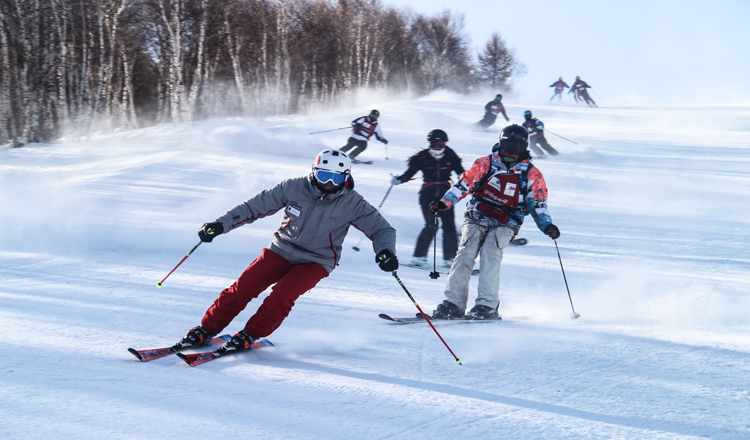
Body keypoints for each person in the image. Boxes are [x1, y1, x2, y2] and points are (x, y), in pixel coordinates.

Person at [175, 149, 398, 355]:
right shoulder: (293, 187)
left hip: (317, 260)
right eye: (323, 176)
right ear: (313, 172)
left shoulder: (353, 203)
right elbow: (253, 207)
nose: (329, 183)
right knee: (242, 288)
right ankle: (207, 329)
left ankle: (250, 334)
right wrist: (221, 224)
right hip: (281, 250)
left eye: (337, 178)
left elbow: (381, 229)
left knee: (282, 296)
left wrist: (385, 251)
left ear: (346, 177)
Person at [429, 125, 560, 320]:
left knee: (491, 254)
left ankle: (486, 305)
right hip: (477, 215)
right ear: (500, 143)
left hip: (507, 220)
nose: (511, 151)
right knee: (465, 255)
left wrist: (547, 225)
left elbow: (538, 203)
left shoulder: (532, 174)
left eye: (516, 146)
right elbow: (464, 185)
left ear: (524, 146)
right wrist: (443, 202)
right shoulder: (485, 164)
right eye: (508, 145)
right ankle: (453, 303)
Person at [391, 129, 465, 269]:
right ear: (430, 143)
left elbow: (461, 172)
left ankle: (451, 259)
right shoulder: (423, 157)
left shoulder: (450, 155)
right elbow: (409, 173)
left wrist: (470, 182)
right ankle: (419, 257)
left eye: (441, 143)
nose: (437, 146)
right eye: (434, 143)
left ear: (445, 143)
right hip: (427, 196)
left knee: (449, 227)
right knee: (432, 225)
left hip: (446, 197)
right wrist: (399, 179)